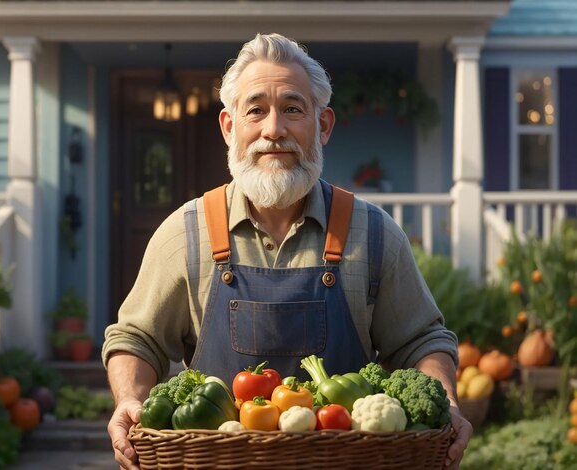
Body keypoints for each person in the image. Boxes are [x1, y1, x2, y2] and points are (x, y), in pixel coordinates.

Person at [102, 32, 472, 470]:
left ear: (324, 125)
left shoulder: (373, 232)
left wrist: (444, 398)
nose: (273, 130)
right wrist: (129, 399)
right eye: (255, 110)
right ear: (229, 127)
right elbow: (136, 339)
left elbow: (421, 341)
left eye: (293, 109)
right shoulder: (185, 233)